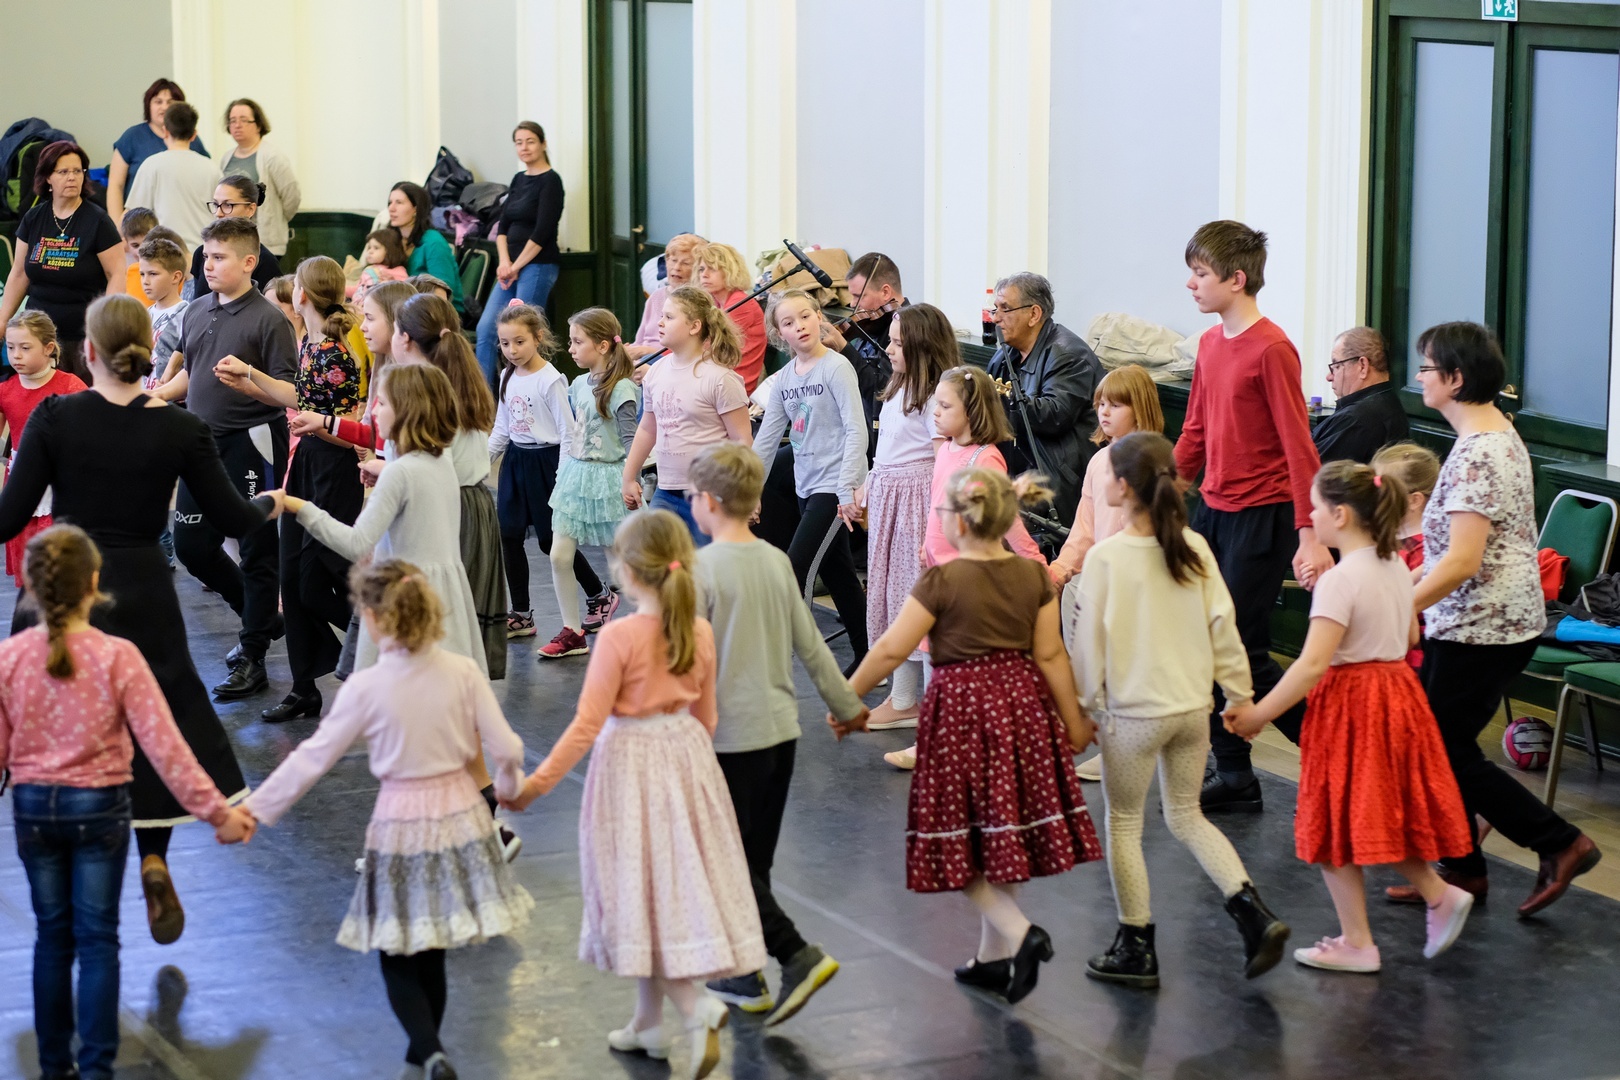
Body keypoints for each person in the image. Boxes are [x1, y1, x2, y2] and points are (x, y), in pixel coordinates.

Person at [0, 294, 275, 945]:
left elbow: (8, 518)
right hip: (144, 591)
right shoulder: (181, 428)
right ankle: (153, 858)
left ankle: (68, 863)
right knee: (154, 720)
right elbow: (235, 518)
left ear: (87, 352)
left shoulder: (56, 416)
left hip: (66, 584)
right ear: (148, 353)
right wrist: (274, 503)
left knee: (52, 709)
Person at [243, 559, 530, 1080]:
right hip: (460, 817)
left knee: (396, 947)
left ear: (374, 618)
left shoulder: (367, 687)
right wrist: (507, 788)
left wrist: (254, 811)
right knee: (433, 944)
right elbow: (507, 748)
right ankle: (421, 1060)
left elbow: (313, 759)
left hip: (402, 820)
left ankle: (430, 1053)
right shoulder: (462, 672)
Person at [504, 510, 762, 1080]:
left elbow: (585, 726)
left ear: (624, 569)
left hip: (631, 767)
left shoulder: (619, 637)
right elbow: (707, 718)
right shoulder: (698, 630)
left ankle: (695, 1007)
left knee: (638, 890)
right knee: (660, 893)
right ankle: (648, 1025)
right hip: (686, 761)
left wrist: (534, 787)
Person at [833, 468, 1100, 1004]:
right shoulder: (1032, 578)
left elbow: (890, 648)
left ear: (957, 522)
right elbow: (1051, 654)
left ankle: (1021, 934)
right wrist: (1073, 720)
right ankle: (992, 957)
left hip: (962, 716)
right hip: (1021, 712)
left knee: (953, 838)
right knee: (1000, 835)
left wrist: (847, 699)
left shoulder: (942, 581)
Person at [1, 525, 256, 1080]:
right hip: (101, 810)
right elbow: (167, 750)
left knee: (52, 940)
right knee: (98, 942)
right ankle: (97, 1067)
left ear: (29, 586)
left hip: (35, 812)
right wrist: (220, 814)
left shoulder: (9, 658)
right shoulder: (120, 657)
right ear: (95, 584)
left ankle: (53, 1067)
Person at [1383, 322, 1601, 916]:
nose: (1419, 377)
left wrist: (1397, 605)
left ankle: (1560, 842)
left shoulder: (1480, 452)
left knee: (1443, 748)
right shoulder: (1489, 434)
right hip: (1481, 621)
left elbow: (1462, 562)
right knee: (1439, 745)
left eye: (1427, 368)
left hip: (1484, 627)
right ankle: (1463, 868)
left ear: (1455, 379)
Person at [1225, 461, 1477, 972]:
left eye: (1315, 507)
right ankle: (1431, 897)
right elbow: (1410, 636)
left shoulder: (1340, 580)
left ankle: (1362, 940)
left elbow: (1312, 664)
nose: (1310, 516)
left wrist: (1257, 714)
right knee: (1375, 813)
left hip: (1353, 704)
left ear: (1340, 515)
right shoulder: (1394, 566)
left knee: (1332, 820)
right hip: (1397, 695)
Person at [1071, 432, 1289, 988]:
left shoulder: (1106, 558)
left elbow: (1088, 645)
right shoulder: (1194, 547)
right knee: (1187, 816)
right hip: (1193, 711)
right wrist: (1238, 697)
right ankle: (1252, 912)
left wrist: (1085, 706)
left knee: (1124, 822)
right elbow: (1224, 628)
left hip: (1132, 717)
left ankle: (1135, 944)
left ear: (1123, 487)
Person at [688, 443, 865, 1022]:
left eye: (692, 496)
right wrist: (847, 706)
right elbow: (810, 645)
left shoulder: (701, 572)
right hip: (779, 734)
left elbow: (686, 663)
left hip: (728, 740)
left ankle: (795, 954)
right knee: (753, 861)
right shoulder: (775, 562)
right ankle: (744, 973)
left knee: (725, 862)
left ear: (711, 503)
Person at [1174, 220, 1330, 813]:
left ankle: (1333, 754)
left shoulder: (1272, 349)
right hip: (1212, 511)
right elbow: (1194, 430)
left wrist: (1310, 534)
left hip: (1262, 517)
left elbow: (1298, 446)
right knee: (1207, 642)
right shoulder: (1210, 344)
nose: (1191, 284)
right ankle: (1236, 774)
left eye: (1201, 273)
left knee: (1239, 646)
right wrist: (1158, 496)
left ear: (1236, 279)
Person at [151, 216, 296, 703]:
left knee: (256, 548)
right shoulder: (196, 310)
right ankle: (262, 620)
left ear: (249, 262)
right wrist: (155, 397)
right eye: (205, 257)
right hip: (201, 444)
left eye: (218, 258)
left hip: (252, 441)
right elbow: (191, 374)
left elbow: (290, 393)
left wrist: (250, 378)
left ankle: (253, 653)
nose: (208, 266)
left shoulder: (269, 319)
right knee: (192, 546)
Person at [213, 257, 363, 723]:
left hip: (331, 469)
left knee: (318, 577)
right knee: (293, 577)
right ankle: (304, 688)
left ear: (304, 294)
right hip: (307, 464)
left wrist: (317, 425)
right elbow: (298, 397)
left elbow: (348, 430)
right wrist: (251, 379)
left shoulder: (335, 353)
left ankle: (375, 643)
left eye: (295, 284)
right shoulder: (310, 343)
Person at [883, 366, 1048, 771]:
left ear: (971, 412)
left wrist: (1034, 560)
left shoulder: (984, 459)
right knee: (933, 651)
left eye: (945, 406)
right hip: (940, 570)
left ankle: (942, 739)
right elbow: (937, 502)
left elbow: (1007, 518)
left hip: (969, 577)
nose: (935, 413)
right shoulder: (946, 450)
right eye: (936, 405)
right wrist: (926, 543)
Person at [751, 289, 871, 668]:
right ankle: (868, 658)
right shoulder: (786, 378)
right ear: (779, 333)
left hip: (834, 489)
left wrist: (848, 487)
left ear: (820, 317)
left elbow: (857, 428)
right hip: (807, 485)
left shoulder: (836, 367)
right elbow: (767, 439)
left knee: (795, 567)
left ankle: (789, 658)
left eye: (805, 316)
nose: (800, 326)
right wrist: (749, 492)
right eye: (789, 322)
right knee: (840, 577)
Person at [487, 303, 604, 642]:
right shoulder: (507, 376)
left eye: (519, 342)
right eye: (505, 344)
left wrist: (562, 478)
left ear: (538, 338)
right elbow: (502, 429)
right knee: (508, 535)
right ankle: (521, 613)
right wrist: (478, 463)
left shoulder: (551, 379)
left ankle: (598, 594)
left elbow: (568, 433)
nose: (512, 350)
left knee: (550, 541)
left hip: (547, 463)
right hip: (516, 461)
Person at [860, 303, 950, 730]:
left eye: (898, 343)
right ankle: (902, 698)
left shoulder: (933, 399)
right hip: (889, 499)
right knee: (892, 597)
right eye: (891, 341)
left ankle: (924, 704)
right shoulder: (898, 387)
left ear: (923, 347)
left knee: (913, 597)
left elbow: (943, 463)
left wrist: (935, 527)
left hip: (914, 506)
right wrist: (868, 484)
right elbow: (887, 448)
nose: (889, 349)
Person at [542, 307, 638, 658]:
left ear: (602, 345)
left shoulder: (623, 389)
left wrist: (632, 479)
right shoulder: (578, 384)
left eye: (577, 342)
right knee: (559, 555)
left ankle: (650, 625)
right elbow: (573, 432)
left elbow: (631, 440)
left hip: (610, 478)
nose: (571, 349)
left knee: (622, 564)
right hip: (576, 476)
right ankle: (572, 631)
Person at [621, 285, 752, 540]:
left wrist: (747, 494)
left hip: (710, 494)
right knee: (658, 558)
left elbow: (742, 441)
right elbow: (647, 429)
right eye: (661, 316)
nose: (660, 322)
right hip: (666, 491)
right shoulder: (655, 373)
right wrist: (629, 476)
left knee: (705, 564)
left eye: (669, 317)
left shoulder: (720, 379)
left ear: (694, 326)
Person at [0, 141, 126, 381]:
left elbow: (117, 275)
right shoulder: (34, 218)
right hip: (37, 336)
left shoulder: (98, 221)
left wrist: (103, 329)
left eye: (77, 171)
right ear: (48, 177)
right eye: (63, 171)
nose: (72, 177)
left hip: (82, 337)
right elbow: (19, 273)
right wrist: (3, 320)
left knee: (78, 401)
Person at [985, 271, 1103, 527]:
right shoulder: (1005, 354)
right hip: (1017, 467)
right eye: (995, 309)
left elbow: (1054, 416)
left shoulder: (1068, 354)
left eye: (1005, 309)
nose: (995, 318)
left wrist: (1003, 399)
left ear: (1034, 314)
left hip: (1057, 478)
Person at [475, 122, 566, 386]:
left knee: (520, 331)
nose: (524, 147)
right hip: (510, 267)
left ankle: (523, 391)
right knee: (485, 329)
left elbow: (542, 232)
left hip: (538, 264)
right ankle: (481, 399)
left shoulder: (551, 181)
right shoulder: (518, 179)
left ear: (543, 144)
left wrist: (515, 267)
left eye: (530, 141)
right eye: (519, 142)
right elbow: (502, 226)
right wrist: (504, 263)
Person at [0, 312, 87, 585]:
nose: (16, 355)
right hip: (21, 482)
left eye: (25, 348)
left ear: (49, 348)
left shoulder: (71, 387)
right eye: (10, 347)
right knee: (29, 564)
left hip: (61, 483)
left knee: (60, 561)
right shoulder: (5, 391)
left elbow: (87, 438)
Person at [819, 252, 907, 445]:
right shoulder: (869, 324)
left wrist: (844, 348)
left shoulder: (908, 331)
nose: (852, 304)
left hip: (878, 438)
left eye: (859, 296)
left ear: (885, 292)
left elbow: (882, 391)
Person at [1371, 442, 1441, 672]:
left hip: (1407, 658)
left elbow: (1412, 612)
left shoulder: (1424, 550)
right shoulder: (1381, 535)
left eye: (1381, 489)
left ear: (1414, 500)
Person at [108, 78, 207, 223]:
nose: (164, 107)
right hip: (140, 224)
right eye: (158, 102)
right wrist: (117, 226)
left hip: (183, 221)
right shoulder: (132, 137)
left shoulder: (192, 140)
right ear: (148, 105)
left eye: (170, 102)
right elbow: (116, 185)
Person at [126, 101, 216, 252]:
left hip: (164, 253)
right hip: (203, 253)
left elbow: (134, 215)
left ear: (165, 131)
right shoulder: (212, 168)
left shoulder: (151, 165)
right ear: (194, 135)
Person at [1312, 326, 1409, 465]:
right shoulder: (1387, 402)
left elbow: (1309, 469)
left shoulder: (1355, 419)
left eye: (1336, 366)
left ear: (1363, 366)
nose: (1329, 377)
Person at [218, 98, 300, 257]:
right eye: (232, 120)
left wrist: (276, 220)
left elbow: (292, 196)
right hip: (231, 240)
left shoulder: (273, 157)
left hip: (266, 242)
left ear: (258, 125)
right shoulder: (226, 158)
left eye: (244, 120)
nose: (237, 125)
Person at [187, 175, 284, 297]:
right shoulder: (200, 254)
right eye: (216, 205)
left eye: (228, 205)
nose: (218, 213)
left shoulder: (265, 261)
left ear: (250, 209)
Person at [694, 241, 766, 392]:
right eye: (701, 269)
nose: (704, 275)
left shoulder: (740, 303)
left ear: (730, 271)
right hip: (716, 378)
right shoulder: (716, 303)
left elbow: (703, 348)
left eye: (712, 268)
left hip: (732, 386)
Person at [387, 181, 463, 309]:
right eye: (390, 202)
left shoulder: (433, 242)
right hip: (403, 306)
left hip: (438, 311)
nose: (391, 208)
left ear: (416, 208)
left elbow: (442, 291)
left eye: (399, 202)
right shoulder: (392, 237)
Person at [628, 233, 703, 360]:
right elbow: (639, 342)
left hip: (668, 362)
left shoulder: (699, 302)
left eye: (686, 263)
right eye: (673, 260)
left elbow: (690, 351)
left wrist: (646, 351)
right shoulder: (656, 296)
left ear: (698, 269)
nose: (677, 268)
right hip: (642, 361)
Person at [138, 236, 191, 392]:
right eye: (142, 274)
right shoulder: (144, 314)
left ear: (176, 276)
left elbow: (191, 362)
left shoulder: (187, 314)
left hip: (172, 397)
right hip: (144, 394)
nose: (145, 281)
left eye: (153, 274)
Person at [348, 228, 410, 299]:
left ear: (390, 251)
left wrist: (392, 282)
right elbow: (358, 290)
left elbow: (405, 291)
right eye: (369, 247)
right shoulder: (369, 269)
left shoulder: (398, 271)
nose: (370, 251)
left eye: (376, 248)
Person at [119, 206, 158, 300]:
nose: (142, 250)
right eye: (135, 245)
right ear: (126, 244)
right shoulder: (124, 269)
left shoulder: (167, 266)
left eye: (147, 243)